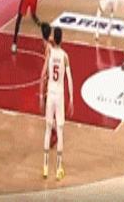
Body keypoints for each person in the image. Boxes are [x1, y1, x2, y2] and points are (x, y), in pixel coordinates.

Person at [40, 27, 74, 181]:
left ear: (54, 38)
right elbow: (69, 79)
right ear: (62, 39)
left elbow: (43, 75)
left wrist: (41, 95)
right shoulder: (65, 56)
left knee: (48, 130)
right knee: (59, 131)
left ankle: (45, 167)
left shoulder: (50, 53)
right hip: (59, 95)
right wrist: (71, 98)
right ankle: (59, 168)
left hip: (50, 93)